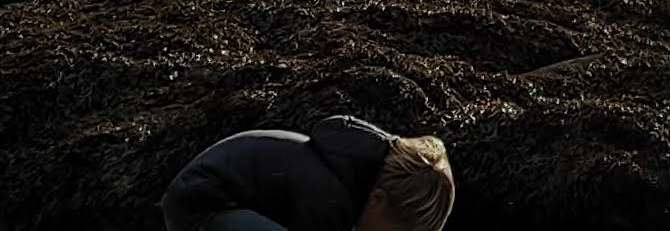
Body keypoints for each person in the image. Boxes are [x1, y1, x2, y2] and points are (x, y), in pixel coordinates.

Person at [160, 113, 455, 231]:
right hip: (201, 207)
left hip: (229, 204)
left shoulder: (348, 178)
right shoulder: (330, 198)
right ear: (377, 200)